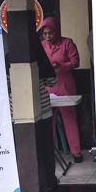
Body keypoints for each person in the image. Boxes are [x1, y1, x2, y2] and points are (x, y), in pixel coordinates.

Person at [40, 16, 83, 163]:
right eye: (45, 34)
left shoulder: (67, 43)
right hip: (48, 87)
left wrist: (62, 66)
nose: (47, 36)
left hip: (65, 85)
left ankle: (76, 152)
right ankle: (49, 154)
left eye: (50, 33)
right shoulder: (42, 45)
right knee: (48, 120)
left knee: (69, 120)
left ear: (56, 31)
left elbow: (76, 62)